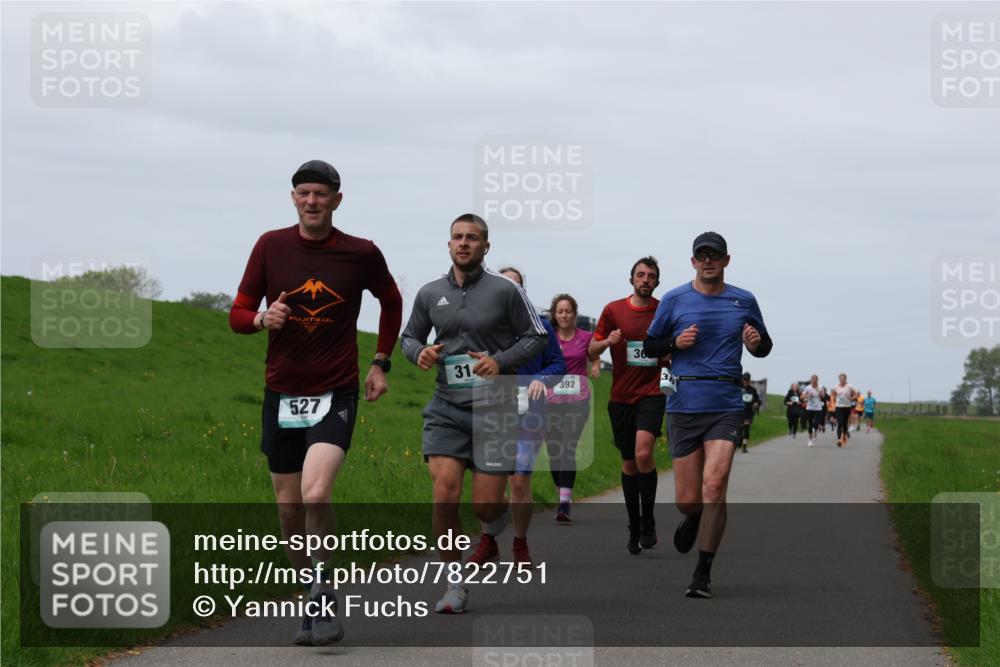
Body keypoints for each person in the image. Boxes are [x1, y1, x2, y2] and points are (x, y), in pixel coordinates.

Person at [229, 160, 403, 645]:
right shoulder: (270, 245)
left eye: (321, 195)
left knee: (316, 494)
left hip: (336, 391)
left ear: (337, 200)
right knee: (287, 510)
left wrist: (380, 362)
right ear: (293, 198)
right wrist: (263, 320)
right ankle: (310, 588)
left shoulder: (360, 253)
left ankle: (324, 591)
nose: (312, 202)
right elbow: (237, 314)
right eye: (304, 193)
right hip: (281, 393)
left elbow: (391, 301)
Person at [400, 214, 548, 614]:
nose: (463, 243)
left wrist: (500, 362)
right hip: (447, 407)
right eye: (457, 237)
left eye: (473, 238)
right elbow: (409, 336)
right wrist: (421, 352)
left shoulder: (506, 291)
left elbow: (537, 335)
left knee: (486, 506)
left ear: (486, 246)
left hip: (495, 407)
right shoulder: (430, 293)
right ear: (448, 245)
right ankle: (454, 585)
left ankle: (491, 528)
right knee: (444, 494)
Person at [644, 232, 772, 598]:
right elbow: (650, 345)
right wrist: (674, 343)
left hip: (726, 402)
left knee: (714, 486)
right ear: (693, 262)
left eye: (714, 255)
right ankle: (693, 515)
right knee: (688, 499)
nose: (707, 261)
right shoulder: (673, 299)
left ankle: (703, 572)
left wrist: (756, 344)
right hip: (684, 403)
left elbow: (764, 346)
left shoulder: (743, 300)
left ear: (726, 260)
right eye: (701, 256)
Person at [465, 267, 565, 566]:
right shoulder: (481, 325)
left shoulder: (542, 327)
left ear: (523, 292)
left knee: (519, 481)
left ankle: (520, 544)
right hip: (490, 410)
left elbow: (558, 364)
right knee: (489, 486)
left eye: (515, 287)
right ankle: (488, 541)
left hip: (528, 412)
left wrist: (542, 379)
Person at [589, 257, 666, 555]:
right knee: (629, 463)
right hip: (620, 396)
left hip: (652, 393)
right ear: (631, 279)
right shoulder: (613, 310)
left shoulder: (663, 310)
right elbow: (592, 349)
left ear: (657, 282)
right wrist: (607, 342)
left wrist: (669, 356)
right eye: (640, 275)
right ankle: (634, 525)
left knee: (644, 453)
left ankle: (649, 521)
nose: (645, 279)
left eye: (651, 276)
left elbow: (673, 347)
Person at [546, 293, 600, 524]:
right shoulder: (547, 339)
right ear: (554, 315)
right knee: (554, 451)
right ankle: (563, 490)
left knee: (568, 447)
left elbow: (595, 356)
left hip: (578, 401)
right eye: (560, 311)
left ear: (574, 314)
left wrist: (595, 367)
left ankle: (564, 503)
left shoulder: (587, 337)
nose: (564, 315)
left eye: (568, 311)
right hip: (550, 401)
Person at [830, 373, 857, 447]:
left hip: (847, 407)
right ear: (839, 379)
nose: (842, 380)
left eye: (843, 378)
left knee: (845, 424)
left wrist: (851, 398)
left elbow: (855, 394)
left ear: (846, 379)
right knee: (840, 422)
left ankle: (844, 435)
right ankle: (839, 439)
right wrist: (835, 398)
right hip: (838, 407)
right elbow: (833, 394)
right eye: (840, 378)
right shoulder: (836, 387)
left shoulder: (849, 386)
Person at [739, 373, 761, 453]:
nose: (745, 382)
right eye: (744, 380)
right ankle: (740, 438)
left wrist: (756, 403)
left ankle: (744, 446)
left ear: (749, 381)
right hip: (739, 411)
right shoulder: (738, 388)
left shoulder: (752, 390)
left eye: (747, 380)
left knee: (747, 428)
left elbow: (758, 400)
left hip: (749, 412)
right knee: (740, 428)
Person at [800, 375, 823, 447]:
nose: (813, 382)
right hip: (809, 408)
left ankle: (815, 430)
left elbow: (823, 396)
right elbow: (801, 397)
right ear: (810, 381)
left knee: (816, 424)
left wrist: (819, 393)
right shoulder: (808, 388)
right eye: (812, 381)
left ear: (817, 381)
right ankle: (810, 441)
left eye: (815, 381)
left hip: (818, 408)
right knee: (810, 424)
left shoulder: (820, 387)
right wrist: (808, 396)